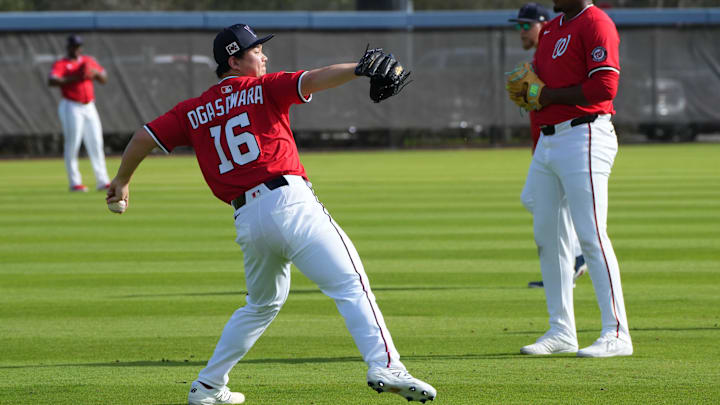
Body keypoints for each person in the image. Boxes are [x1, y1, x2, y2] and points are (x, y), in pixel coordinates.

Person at [105, 24, 436, 404]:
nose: (263, 56)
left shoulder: (193, 110)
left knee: (260, 305)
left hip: (247, 220)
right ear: (234, 60)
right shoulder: (263, 88)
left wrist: (122, 179)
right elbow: (313, 79)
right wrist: (359, 69)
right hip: (290, 204)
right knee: (350, 284)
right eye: (255, 50)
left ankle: (208, 386)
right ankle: (387, 365)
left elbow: (144, 136)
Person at [511, 0, 633, 357]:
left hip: (585, 134)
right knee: (548, 236)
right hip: (549, 140)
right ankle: (562, 330)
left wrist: (546, 95)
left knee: (591, 234)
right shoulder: (551, 29)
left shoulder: (597, 23)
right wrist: (531, 91)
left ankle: (617, 332)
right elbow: (537, 82)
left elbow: (605, 87)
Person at [510, 3, 588, 289]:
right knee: (538, 200)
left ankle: (575, 258)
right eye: (517, 25)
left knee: (540, 201)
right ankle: (575, 258)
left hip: (568, 140)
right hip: (547, 144)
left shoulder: (553, 57)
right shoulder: (539, 60)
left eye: (524, 25)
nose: (520, 31)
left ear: (544, 25)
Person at [48, 34, 110, 192]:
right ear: (68, 47)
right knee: (73, 143)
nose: (76, 49)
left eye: (78, 46)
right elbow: (52, 80)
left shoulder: (88, 61)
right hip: (71, 105)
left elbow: (104, 78)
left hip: (89, 105)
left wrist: (94, 73)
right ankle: (74, 182)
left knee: (96, 142)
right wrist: (75, 77)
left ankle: (102, 181)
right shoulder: (62, 63)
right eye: (74, 46)